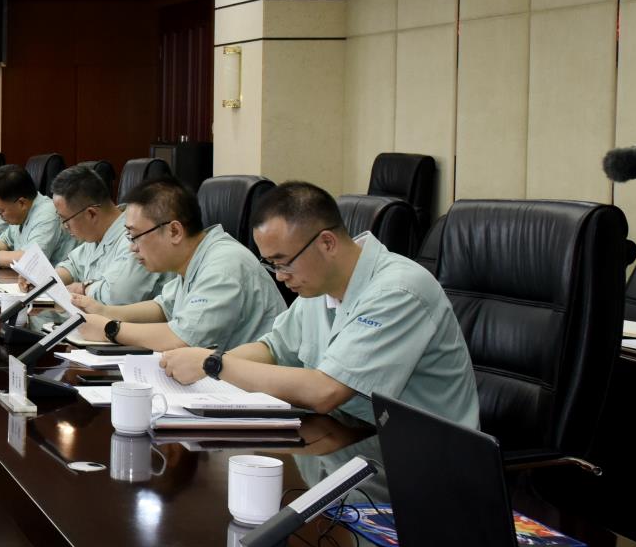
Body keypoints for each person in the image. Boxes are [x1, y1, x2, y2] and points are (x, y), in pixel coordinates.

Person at [158, 182, 479, 431]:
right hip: (348, 439)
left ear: (327, 242)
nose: (280, 276)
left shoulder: (398, 290)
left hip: (422, 462)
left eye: (284, 262)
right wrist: (203, 369)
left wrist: (214, 365)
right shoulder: (319, 286)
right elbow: (273, 348)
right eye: (271, 264)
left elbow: (325, 391)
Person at [73, 178, 286, 353]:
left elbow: (181, 339)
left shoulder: (224, 264)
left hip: (250, 389)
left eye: (135, 236)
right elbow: (163, 307)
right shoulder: (194, 258)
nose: (132, 248)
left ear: (174, 231)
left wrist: (110, 329)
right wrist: (105, 311)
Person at [49, 165, 163, 305]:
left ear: (91, 214)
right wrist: (47, 281)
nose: (64, 227)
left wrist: (82, 288)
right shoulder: (95, 235)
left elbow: (116, 297)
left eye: (65, 220)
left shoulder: (136, 239)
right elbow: (73, 264)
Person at [0, 163, 70, 267]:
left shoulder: (47, 215)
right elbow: (5, 241)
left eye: (0, 211)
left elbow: (31, 258)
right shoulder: (19, 215)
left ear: (21, 203)